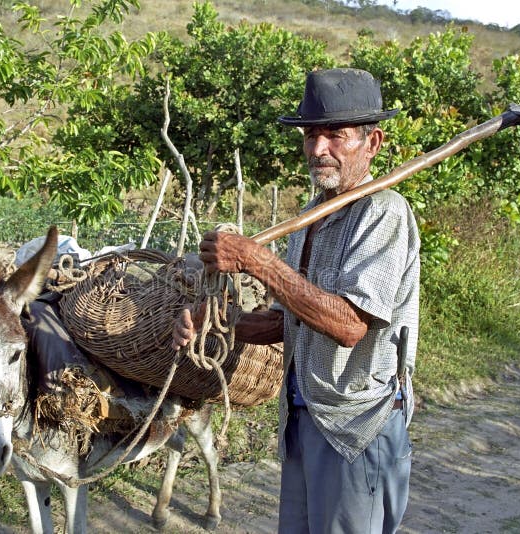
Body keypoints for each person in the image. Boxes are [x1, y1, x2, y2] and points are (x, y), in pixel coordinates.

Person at [171, 68, 420, 533]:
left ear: (373, 142)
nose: (318, 149)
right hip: (304, 418)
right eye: (311, 135)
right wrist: (218, 323)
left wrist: (256, 262)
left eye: (336, 135)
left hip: (357, 427)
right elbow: (288, 321)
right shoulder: (309, 217)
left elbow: (349, 325)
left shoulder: (385, 213)